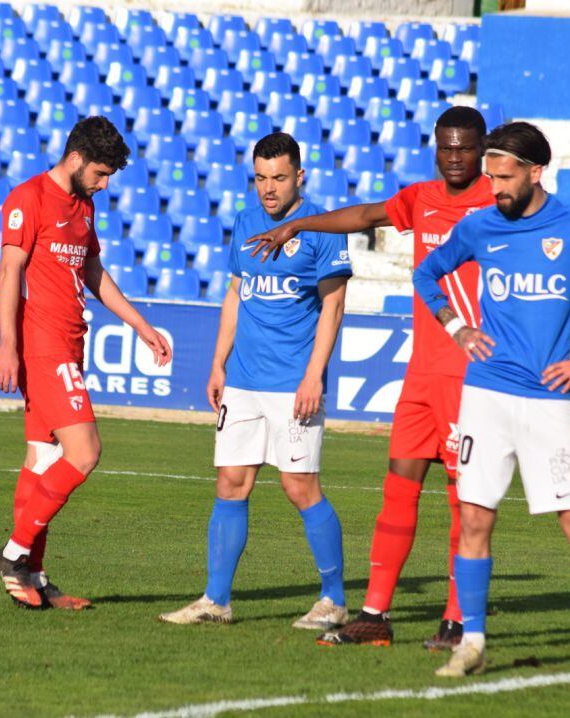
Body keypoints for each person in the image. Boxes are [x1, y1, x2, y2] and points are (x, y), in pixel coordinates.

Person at [412, 122, 570, 691]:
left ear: (535, 172)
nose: (493, 185)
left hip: (549, 402)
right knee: (474, 518)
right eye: (490, 175)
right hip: (486, 396)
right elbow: (426, 273)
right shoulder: (480, 227)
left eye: (503, 176)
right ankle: (471, 642)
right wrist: (457, 327)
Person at [246, 107, 494, 649]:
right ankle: (375, 615)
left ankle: (456, 622)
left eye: (465, 148)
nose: (454, 158)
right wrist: (297, 223)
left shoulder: (499, 202)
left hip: (473, 379)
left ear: (482, 150)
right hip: (422, 377)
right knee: (397, 489)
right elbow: (363, 217)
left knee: (464, 500)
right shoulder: (423, 197)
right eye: (445, 148)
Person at [159, 132, 353, 629]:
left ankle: (333, 599)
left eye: (280, 178)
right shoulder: (245, 222)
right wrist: (218, 362)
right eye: (261, 178)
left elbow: (333, 305)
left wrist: (314, 376)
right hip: (243, 377)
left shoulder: (324, 228)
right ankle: (216, 600)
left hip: (293, 382)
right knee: (231, 483)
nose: (269, 189)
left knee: (299, 487)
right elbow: (235, 295)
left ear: (300, 177)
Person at [0, 116, 172, 610]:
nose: (105, 183)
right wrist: (7, 344)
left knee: (43, 460)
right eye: (101, 173)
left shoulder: (83, 205)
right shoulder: (27, 198)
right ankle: (12, 555)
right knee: (85, 452)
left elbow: (92, 270)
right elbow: (9, 272)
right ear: (76, 159)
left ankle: (35, 578)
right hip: (43, 347)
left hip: (71, 345)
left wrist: (141, 325)